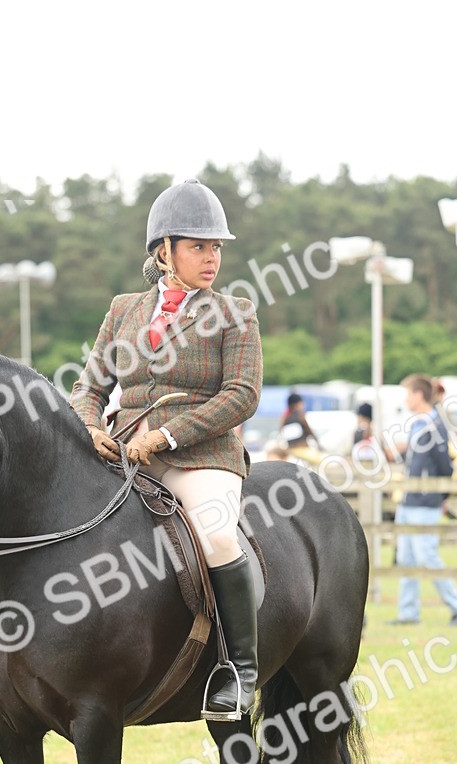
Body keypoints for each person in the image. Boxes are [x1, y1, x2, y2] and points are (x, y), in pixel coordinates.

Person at [70, 178, 263, 718]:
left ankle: (238, 671)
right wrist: (89, 428)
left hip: (200, 457)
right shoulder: (124, 309)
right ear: (164, 251)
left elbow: (242, 395)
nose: (211, 258)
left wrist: (169, 435)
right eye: (199, 246)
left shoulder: (236, 311)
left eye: (216, 248)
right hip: (124, 454)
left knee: (219, 534)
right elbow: (89, 387)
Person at [389, 373, 457, 627]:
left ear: (418, 395)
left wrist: (440, 495)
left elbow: (445, 466)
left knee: (428, 556)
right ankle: (408, 612)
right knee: (407, 558)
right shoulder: (416, 424)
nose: (406, 399)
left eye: (408, 394)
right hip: (409, 500)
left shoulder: (435, 426)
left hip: (426, 502)